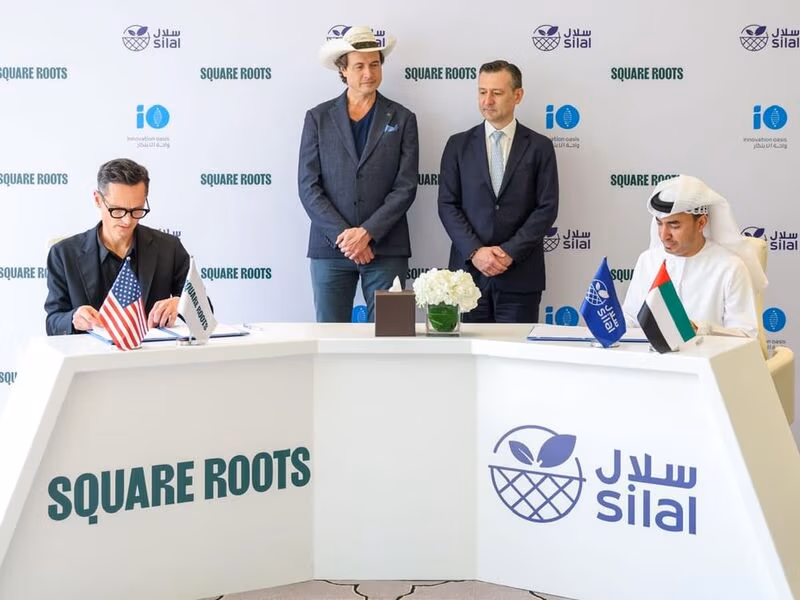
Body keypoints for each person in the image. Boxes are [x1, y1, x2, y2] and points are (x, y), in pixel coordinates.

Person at [298, 26, 419, 322]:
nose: (369, 73)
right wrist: (346, 238)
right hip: (331, 249)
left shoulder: (403, 118)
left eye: (375, 64)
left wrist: (367, 233)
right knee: (330, 338)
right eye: (359, 66)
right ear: (343, 70)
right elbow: (308, 186)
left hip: (386, 248)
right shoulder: (318, 118)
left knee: (393, 333)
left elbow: (405, 187)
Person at [438, 60, 558, 323]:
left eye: (497, 93)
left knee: (517, 349)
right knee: (468, 350)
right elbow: (447, 205)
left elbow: (546, 208)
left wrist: (509, 252)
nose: (487, 100)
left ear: (518, 95)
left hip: (520, 276)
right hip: (467, 277)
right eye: (482, 92)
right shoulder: (457, 145)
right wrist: (476, 252)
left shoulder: (540, 147)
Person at [45, 158, 190, 335]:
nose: (127, 220)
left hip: (151, 351)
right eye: (117, 210)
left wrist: (180, 304)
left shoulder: (169, 248)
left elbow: (204, 309)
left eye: (137, 210)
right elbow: (53, 322)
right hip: (90, 352)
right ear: (98, 200)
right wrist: (73, 318)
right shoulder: (63, 254)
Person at [622, 175, 766, 338]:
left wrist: (701, 329)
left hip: (709, 354)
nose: (663, 235)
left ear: (701, 223)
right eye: (660, 224)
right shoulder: (648, 260)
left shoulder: (730, 267)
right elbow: (631, 319)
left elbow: (746, 335)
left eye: (674, 225)